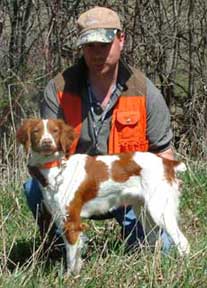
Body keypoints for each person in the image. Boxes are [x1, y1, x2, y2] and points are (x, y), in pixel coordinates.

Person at [24, 6, 174, 253]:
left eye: (104, 44)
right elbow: (43, 156)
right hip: (74, 189)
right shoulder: (58, 90)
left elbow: (164, 156)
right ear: (81, 47)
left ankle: (142, 240)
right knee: (34, 189)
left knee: (163, 251)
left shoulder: (145, 92)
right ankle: (60, 246)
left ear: (121, 40)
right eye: (89, 46)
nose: (97, 53)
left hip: (126, 190)